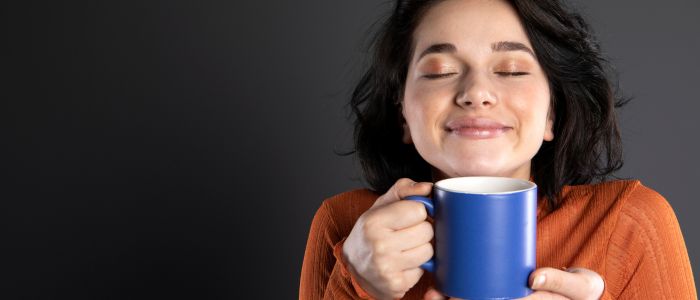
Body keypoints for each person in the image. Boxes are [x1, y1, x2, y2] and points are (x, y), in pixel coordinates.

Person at [299, 0, 697, 299]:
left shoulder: (630, 223)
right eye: (441, 72)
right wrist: (356, 284)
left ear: (551, 115)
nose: (476, 93)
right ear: (402, 113)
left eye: (511, 70)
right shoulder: (345, 225)